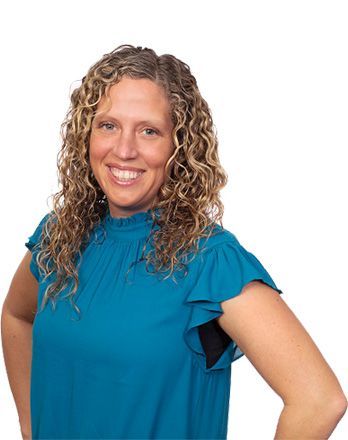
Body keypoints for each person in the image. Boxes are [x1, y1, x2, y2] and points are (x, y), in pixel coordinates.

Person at [1, 44, 346, 440]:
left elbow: (318, 399)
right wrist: (31, 427)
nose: (124, 150)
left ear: (179, 148)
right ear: (86, 135)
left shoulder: (209, 260)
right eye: (108, 125)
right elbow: (16, 316)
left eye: (149, 131)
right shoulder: (58, 236)